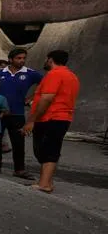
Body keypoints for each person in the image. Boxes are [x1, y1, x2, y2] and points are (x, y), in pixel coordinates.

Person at [24, 50, 80, 193]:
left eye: (46, 59)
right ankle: (46, 181)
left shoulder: (54, 74)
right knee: (49, 149)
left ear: (50, 60)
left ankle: (44, 184)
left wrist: (32, 120)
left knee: (46, 150)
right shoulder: (72, 76)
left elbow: (47, 98)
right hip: (61, 118)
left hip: (50, 118)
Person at [0, 48, 42, 176]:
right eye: (18, 58)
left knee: (18, 142)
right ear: (10, 59)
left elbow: (44, 84)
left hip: (17, 114)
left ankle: (19, 169)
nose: (22, 61)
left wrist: (31, 97)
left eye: (24, 58)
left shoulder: (30, 73)